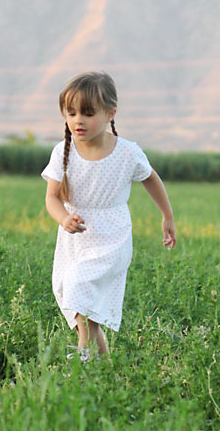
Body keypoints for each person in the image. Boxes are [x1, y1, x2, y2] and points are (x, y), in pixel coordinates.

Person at [41, 71, 176, 361]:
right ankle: (103, 367)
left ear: (109, 113)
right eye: (72, 112)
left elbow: (151, 179)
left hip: (112, 237)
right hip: (75, 240)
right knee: (84, 310)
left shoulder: (127, 153)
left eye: (88, 113)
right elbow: (52, 197)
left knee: (79, 287)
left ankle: (82, 360)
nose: (79, 120)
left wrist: (167, 217)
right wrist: (63, 218)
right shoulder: (62, 152)